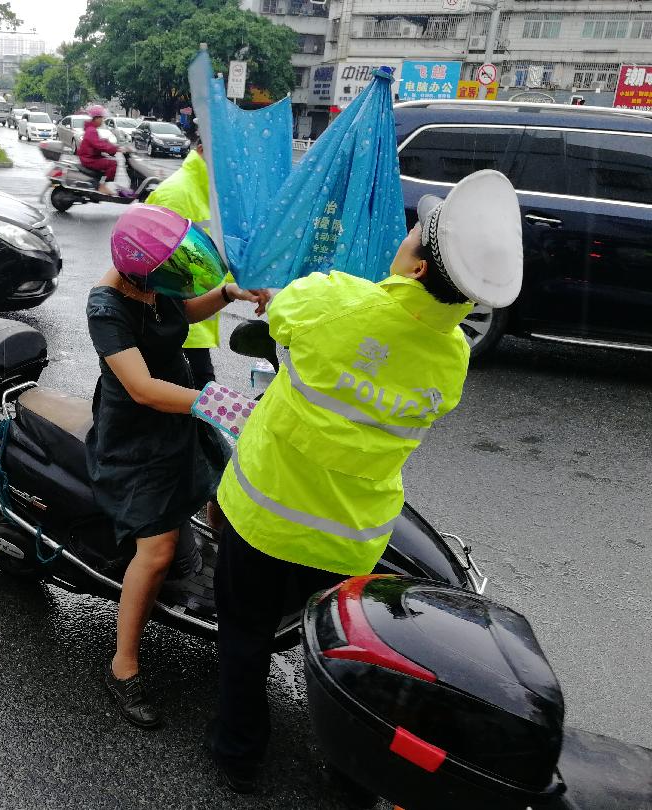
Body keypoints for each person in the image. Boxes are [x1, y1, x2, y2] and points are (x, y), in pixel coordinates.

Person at [210, 170, 524, 793]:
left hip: (263, 515)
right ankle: (348, 767)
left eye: (414, 233)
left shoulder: (329, 297)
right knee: (336, 648)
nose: (406, 235)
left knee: (244, 639)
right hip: (352, 535)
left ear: (412, 265)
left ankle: (238, 759)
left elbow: (279, 319)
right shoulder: (453, 355)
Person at [87, 204, 268, 729]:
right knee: (158, 549)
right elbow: (141, 389)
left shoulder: (153, 279)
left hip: (181, 414)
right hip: (137, 435)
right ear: (136, 269)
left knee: (224, 494)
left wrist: (229, 293)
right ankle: (123, 666)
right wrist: (211, 402)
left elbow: (183, 313)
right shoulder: (106, 307)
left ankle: (222, 585)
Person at [144, 137, 224, 387]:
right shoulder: (177, 194)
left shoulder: (209, 190)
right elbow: (164, 267)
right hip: (176, 320)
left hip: (191, 320)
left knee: (198, 396)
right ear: (201, 148)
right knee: (200, 397)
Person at [77, 104, 122, 197]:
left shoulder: (91, 129)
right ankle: (102, 186)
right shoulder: (91, 131)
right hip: (89, 159)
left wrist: (111, 145)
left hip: (90, 157)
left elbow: (99, 142)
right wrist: (115, 149)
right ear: (96, 118)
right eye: (101, 118)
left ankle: (99, 183)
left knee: (109, 160)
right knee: (112, 163)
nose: (102, 120)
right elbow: (99, 145)